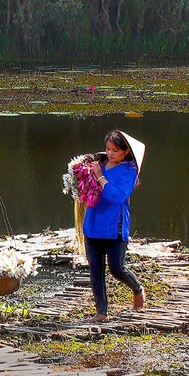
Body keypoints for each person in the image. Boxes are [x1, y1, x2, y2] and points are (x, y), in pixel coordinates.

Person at [82, 130, 147, 323]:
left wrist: (100, 177)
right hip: (93, 223)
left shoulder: (129, 171)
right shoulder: (99, 164)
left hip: (114, 226)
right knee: (96, 270)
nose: (110, 153)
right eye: (108, 149)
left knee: (116, 268)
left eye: (115, 150)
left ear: (126, 152)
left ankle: (137, 288)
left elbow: (116, 196)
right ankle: (101, 311)